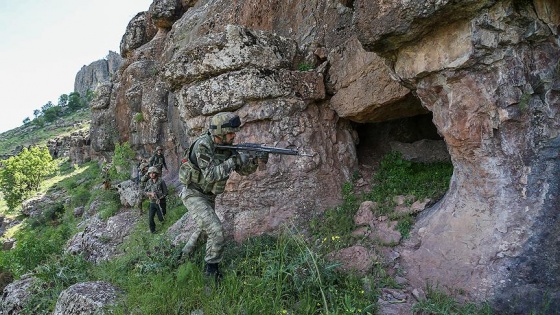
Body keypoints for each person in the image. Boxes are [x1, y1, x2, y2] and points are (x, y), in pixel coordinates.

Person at [178, 112, 268, 281]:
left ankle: (182, 258)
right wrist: (234, 160)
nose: (234, 135)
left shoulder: (227, 146)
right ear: (220, 132)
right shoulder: (203, 145)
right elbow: (211, 175)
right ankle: (211, 273)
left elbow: (243, 171)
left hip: (209, 196)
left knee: (204, 231)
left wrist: (255, 160)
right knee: (216, 231)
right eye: (231, 132)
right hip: (194, 193)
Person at [144, 166, 168, 233]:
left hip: (161, 202)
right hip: (152, 203)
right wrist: (150, 193)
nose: (152, 174)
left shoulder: (161, 181)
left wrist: (160, 198)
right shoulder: (148, 182)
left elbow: (165, 192)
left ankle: (165, 229)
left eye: (153, 173)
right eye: (150, 173)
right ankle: (153, 231)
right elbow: (144, 192)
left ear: (156, 173)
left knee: (162, 218)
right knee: (150, 218)